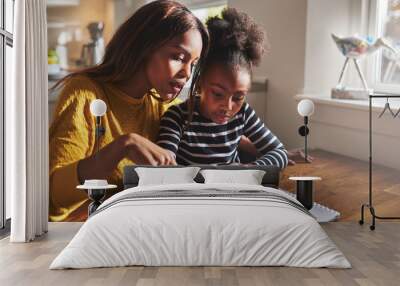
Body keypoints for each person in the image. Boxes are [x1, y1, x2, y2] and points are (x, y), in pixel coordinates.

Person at [49, 0, 209, 221]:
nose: (187, 73)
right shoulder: (85, 92)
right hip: (77, 230)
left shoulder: (163, 107)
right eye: (178, 57)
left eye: (193, 64)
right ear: (144, 46)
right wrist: (123, 146)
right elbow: (56, 196)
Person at [157, 8, 288, 168]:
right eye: (218, 94)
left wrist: (249, 169)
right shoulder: (176, 117)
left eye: (238, 97)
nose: (228, 106)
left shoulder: (243, 114)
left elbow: (279, 152)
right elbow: (164, 165)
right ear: (200, 83)